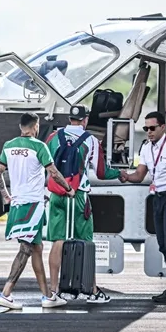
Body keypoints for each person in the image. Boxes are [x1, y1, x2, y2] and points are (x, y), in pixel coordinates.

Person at [0, 112, 73, 310]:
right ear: (35, 126)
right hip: (32, 206)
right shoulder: (39, 146)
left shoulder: (9, 145)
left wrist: (5, 195)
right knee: (26, 249)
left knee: (37, 249)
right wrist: (68, 189)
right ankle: (6, 293)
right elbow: (53, 172)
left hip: (18, 203)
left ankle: (47, 296)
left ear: (21, 127)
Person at [45, 104, 121, 304]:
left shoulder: (54, 136)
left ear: (70, 118)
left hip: (55, 193)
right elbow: (102, 172)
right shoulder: (91, 141)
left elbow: (45, 164)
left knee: (57, 241)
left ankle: (53, 291)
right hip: (77, 194)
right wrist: (121, 174)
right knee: (86, 241)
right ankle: (92, 290)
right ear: (85, 119)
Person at [120, 111, 166, 304]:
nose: (148, 132)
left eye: (152, 128)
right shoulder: (146, 148)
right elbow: (140, 176)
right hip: (157, 198)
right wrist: (126, 177)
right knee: (162, 244)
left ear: (163, 127)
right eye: (146, 128)